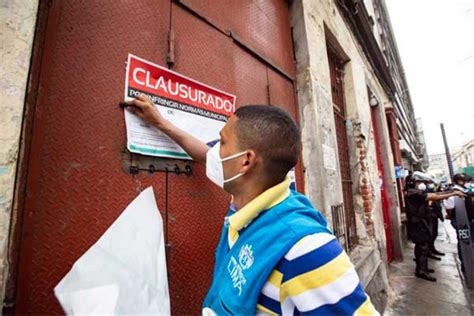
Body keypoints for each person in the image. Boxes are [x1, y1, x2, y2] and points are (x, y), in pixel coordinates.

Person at [123, 95, 379, 315]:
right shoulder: (252, 195)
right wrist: (160, 123)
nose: (216, 151)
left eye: (222, 142)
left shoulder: (306, 250)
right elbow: (204, 154)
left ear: (246, 161)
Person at [404, 171, 464, 282]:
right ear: (413, 182)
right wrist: (453, 193)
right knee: (422, 247)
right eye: (420, 182)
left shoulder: (414, 191)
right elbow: (434, 196)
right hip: (417, 224)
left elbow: (436, 194)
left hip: (421, 222)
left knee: (424, 246)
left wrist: (451, 192)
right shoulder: (413, 193)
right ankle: (421, 271)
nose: (422, 184)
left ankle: (422, 268)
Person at [444, 173, 474, 271]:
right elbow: (449, 207)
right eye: (465, 181)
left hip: (468, 219)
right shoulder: (454, 192)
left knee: (470, 240)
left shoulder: (464, 191)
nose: (467, 183)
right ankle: (465, 263)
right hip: (461, 221)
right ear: (459, 181)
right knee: (464, 241)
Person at [427, 183, 445, 257]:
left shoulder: (435, 194)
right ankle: (429, 251)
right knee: (431, 235)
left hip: (434, 217)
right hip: (431, 218)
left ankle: (432, 249)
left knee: (434, 234)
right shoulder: (428, 195)